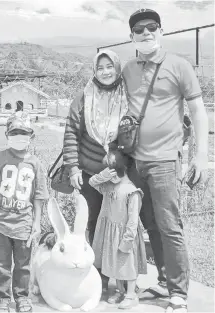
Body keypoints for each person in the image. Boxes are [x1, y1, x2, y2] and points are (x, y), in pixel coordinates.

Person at [122, 9, 209, 312]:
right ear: (131, 36)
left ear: (161, 31)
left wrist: (201, 155)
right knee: (150, 224)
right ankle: (163, 280)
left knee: (170, 225)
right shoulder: (128, 68)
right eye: (139, 30)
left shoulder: (178, 65)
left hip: (165, 161)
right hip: (134, 161)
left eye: (151, 28)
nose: (146, 33)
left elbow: (197, 111)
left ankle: (179, 293)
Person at [62, 49, 129, 291]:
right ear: (94, 71)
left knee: (119, 224)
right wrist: (73, 168)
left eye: (109, 66)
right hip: (90, 175)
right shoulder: (84, 96)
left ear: (117, 68)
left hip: (119, 174)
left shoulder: (127, 95)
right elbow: (71, 132)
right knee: (93, 223)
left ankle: (123, 279)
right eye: (100, 68)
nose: (105, 72)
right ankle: (97, 275)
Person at [0, 111, 49, 313]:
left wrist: (36, 223)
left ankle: (21, 296)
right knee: (1, 264)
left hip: (24, 223)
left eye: (24, 133)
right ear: (7, 135)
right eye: (15, 132)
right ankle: (2, 298)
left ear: (31, 136)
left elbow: (39, 195)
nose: (19, 137)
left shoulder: (35, 163)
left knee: (23, 264)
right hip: (1, 222)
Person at [89, 146, 147, 309]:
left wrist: (128, 239)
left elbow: (133, 220)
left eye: (113, 170)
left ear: (123, 169)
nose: (111, 174)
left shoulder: (132, 192)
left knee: (127, 265)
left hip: (125, 235)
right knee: (116, 264)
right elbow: (92, 182)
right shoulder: (109, 187)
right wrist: (103, 176)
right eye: (107, 170)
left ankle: (131, 294)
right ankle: (120, 291)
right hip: (111, 233)